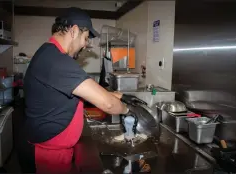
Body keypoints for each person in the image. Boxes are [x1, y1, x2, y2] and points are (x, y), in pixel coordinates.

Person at [23, 7, 145, 174]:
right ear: (74, 31)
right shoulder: (57, 61)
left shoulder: (50, 54)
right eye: (86, 38)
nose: (86, 45)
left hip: (52, 148)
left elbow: (85, 91)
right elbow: (108, 105)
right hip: (49, 153)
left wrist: (120, 95)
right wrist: (128, 110)